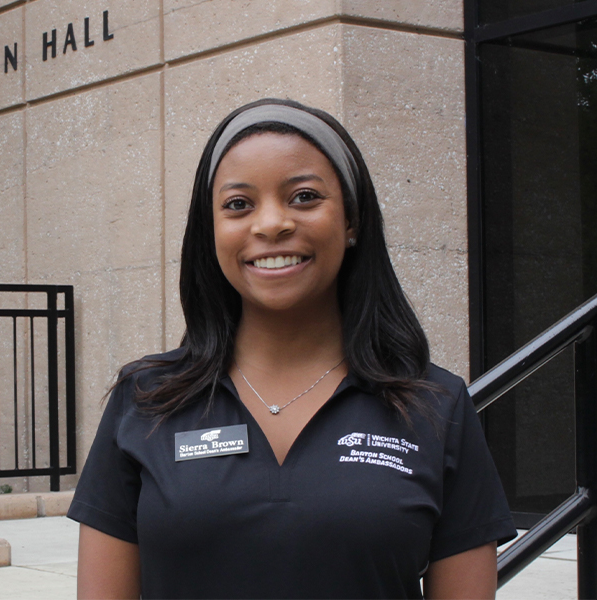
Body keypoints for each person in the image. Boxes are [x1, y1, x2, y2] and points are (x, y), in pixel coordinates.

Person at [67, 98, 516, 599]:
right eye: (238, 204)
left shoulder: (436, 405)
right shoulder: (145, 398)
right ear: (210, 233)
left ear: (351, 221)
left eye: (304, 196)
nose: (271, 224)